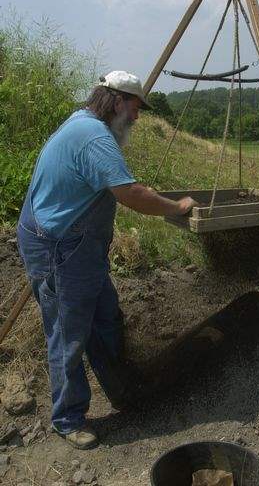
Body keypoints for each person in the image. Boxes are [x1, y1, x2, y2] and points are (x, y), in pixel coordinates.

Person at [17, 70, 196, 450]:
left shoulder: (83, 121)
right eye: (135, 106)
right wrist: (176, 206)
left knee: (106, 316)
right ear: (117, 101)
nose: (137, 116)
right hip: (60, 249)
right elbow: (131, 193)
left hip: (78, 247)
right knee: (68, 334)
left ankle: (123, 390)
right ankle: (67, 418)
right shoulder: (94, 137)